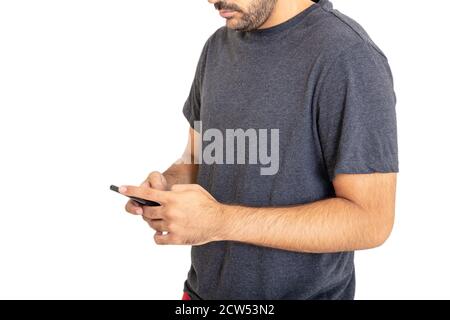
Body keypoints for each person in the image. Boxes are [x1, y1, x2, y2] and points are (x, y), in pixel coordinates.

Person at [119, 0, 398, 300]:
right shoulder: (217, 47)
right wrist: (166, 186)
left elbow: (372, 220)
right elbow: (197, 159)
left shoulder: (348, 57)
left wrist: (220, 221)